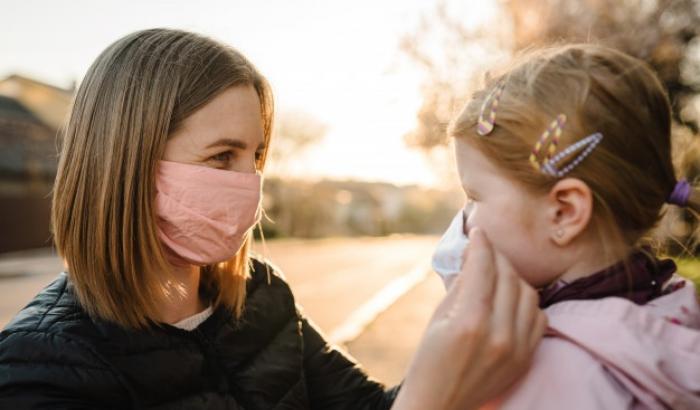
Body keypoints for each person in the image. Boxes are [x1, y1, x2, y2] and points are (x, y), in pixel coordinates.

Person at [0, 28, 546, 409]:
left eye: (256, 157)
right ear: (125, 163)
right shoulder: (37, 366)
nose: (248, 184)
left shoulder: (262, 295)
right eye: (222, 157)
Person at [432, 43, 700, 409]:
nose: (465, 221)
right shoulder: (671, 305)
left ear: (564, 213)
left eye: (474, 196)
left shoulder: (547, 376)